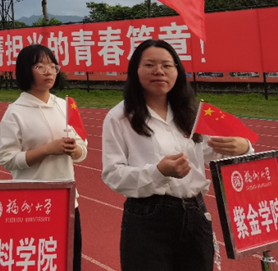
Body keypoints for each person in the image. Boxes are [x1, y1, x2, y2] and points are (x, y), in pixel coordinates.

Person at [102, 39, 253, 271]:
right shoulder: (120, 117)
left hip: (196, 215)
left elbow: (215, 151)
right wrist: (158, 172)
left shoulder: (191, 114)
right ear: (135, 70)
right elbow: (113, 174)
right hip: (148, 218)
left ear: (177, 71)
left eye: (167, 65)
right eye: (150, 65)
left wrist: (243, 147)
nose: (159, 71)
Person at [0, 44, 87, 271]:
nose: (49, 71)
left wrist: (74, 150)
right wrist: (48, 149)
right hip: (31, 203)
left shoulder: (67, 105)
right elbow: (7, 159)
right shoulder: (15, 112)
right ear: (26, 71)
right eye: (40, 66)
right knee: (36, 261)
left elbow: (83, 148)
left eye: (52, 66)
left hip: (66, 199)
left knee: (70, 261)